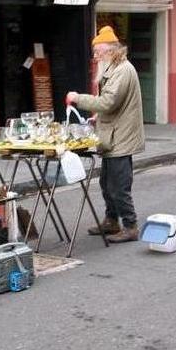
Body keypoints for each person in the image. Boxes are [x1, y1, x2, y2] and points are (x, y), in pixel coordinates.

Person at [66, 26, 145, 243]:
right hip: (113, 135)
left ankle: (130, 226)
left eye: (98, 53)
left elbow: (109, 102)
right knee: (106, 183)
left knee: (119, 186)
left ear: (110, 50)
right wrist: (97, 119)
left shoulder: (122, 70)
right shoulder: (114, 67)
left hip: (121, 137)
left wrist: (77, 98)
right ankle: (111, 220)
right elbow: (110, 106)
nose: (95, 57)